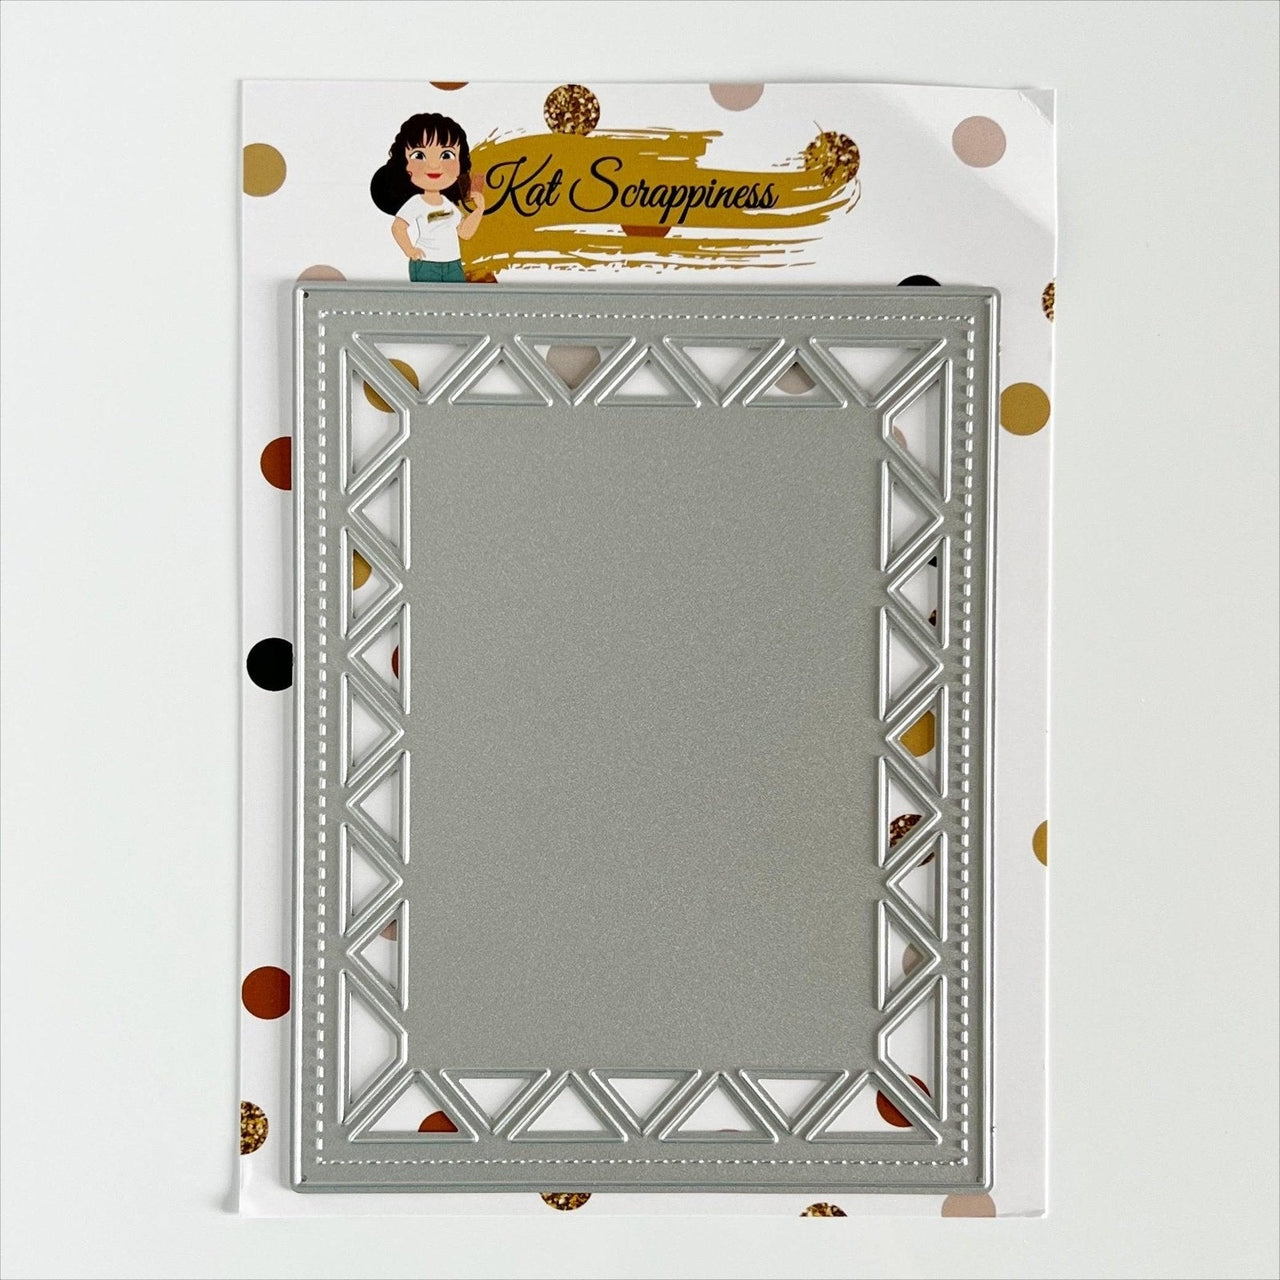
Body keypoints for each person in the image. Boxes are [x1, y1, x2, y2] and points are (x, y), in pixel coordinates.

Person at [370, 112, 485, 282]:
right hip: (427, 264)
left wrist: (479, 210)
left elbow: (464, 233)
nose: (433, 165)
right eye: (419, 156)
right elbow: (398, 227)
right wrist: (410, 250)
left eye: (446, 155)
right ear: (404, 164)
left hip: (453, 263)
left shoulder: (447, 203)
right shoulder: (417, 202)